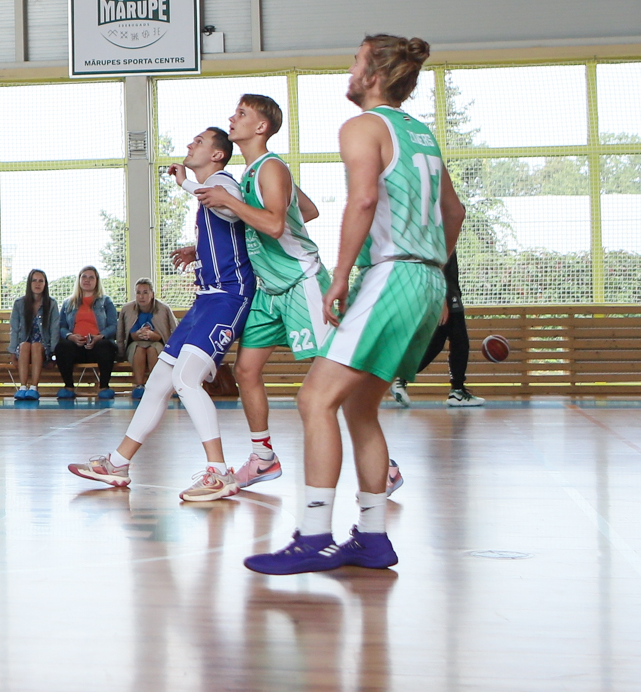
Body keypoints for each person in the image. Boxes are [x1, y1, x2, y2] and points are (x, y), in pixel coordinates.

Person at [248, 36, 464, 575]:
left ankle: (313, 536)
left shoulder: (363, 127)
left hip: (391, 275)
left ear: (373, 75)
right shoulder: (421, 134)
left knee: (314, 398)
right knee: (359, 406)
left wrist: (339, 276)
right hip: (427, 279)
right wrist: (435, 277)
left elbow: (364, 200)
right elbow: (454, 211)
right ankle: (371, 538)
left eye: (355, 61)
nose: (349, 69)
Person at [203, 94, 404, 497]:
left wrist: (230, 203)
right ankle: (262, 457)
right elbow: (304, 211)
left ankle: (387, 466)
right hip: (269, 288)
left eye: (241, 114)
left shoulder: (271, 167)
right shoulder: (253, 173)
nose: (232, 118)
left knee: (335, 370)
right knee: (245, 371)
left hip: (301, 281)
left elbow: (276, 225)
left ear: (261, 127)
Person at [68, 127, 255, 503]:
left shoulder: (223, 182)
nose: (190, 145)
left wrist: (185, 182)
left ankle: (219, 473)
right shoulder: (212, 193)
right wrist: (197, 251)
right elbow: (224, 227)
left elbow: (231, 208)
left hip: (228, 299)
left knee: (187, 379)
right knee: (157, 384)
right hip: (206, 300)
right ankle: (118, 463)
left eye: (199, 142)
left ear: (218, 155)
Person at [402, 252, 479, 406]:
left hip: (447, 290)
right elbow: (437, 262)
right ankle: (457, 390)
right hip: (445, 292)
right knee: (460, 340)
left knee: (437, 342)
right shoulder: (441, 230)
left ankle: (401, 376)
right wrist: (442, 297)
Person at [52, 265, 119, 401]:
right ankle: (69, 387)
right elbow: (61, 327)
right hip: (76, 347)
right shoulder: (68, 303)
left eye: (91, 277)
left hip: (97, 346)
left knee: (106, 346)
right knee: (62, 347)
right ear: (79, 279)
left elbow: (114, 325)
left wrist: (99, 337)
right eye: (84, 277)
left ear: (96, 281)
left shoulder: (105, 301)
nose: (87, 280)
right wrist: (70, 336)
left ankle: (104, 387)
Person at [117, 280, 173, 398]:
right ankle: (139, 386)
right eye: (138, 293)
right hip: (135, 343)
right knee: (139, 348)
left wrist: (154, 335)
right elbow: (123, 334)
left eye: (145, 292)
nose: (141, 296)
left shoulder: (164, 309)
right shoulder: (127, 309)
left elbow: (173, 330)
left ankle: (156, 386)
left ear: (152, 294)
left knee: (153, 349)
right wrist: (138, 334)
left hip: (157, 342)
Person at [9, 269, 58, 402]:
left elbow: (54, 330)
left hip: (43, 348)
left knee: (36, 346)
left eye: (41, 281)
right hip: (24, 346)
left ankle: (34, 388)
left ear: (45, 284)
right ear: (29, 284)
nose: (37, 284)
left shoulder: (51, 304)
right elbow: (14, 329)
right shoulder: (19, 304)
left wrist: (54, 355)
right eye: (34, 280)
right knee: (25, 345)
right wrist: (13, 352)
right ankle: (23, 387)